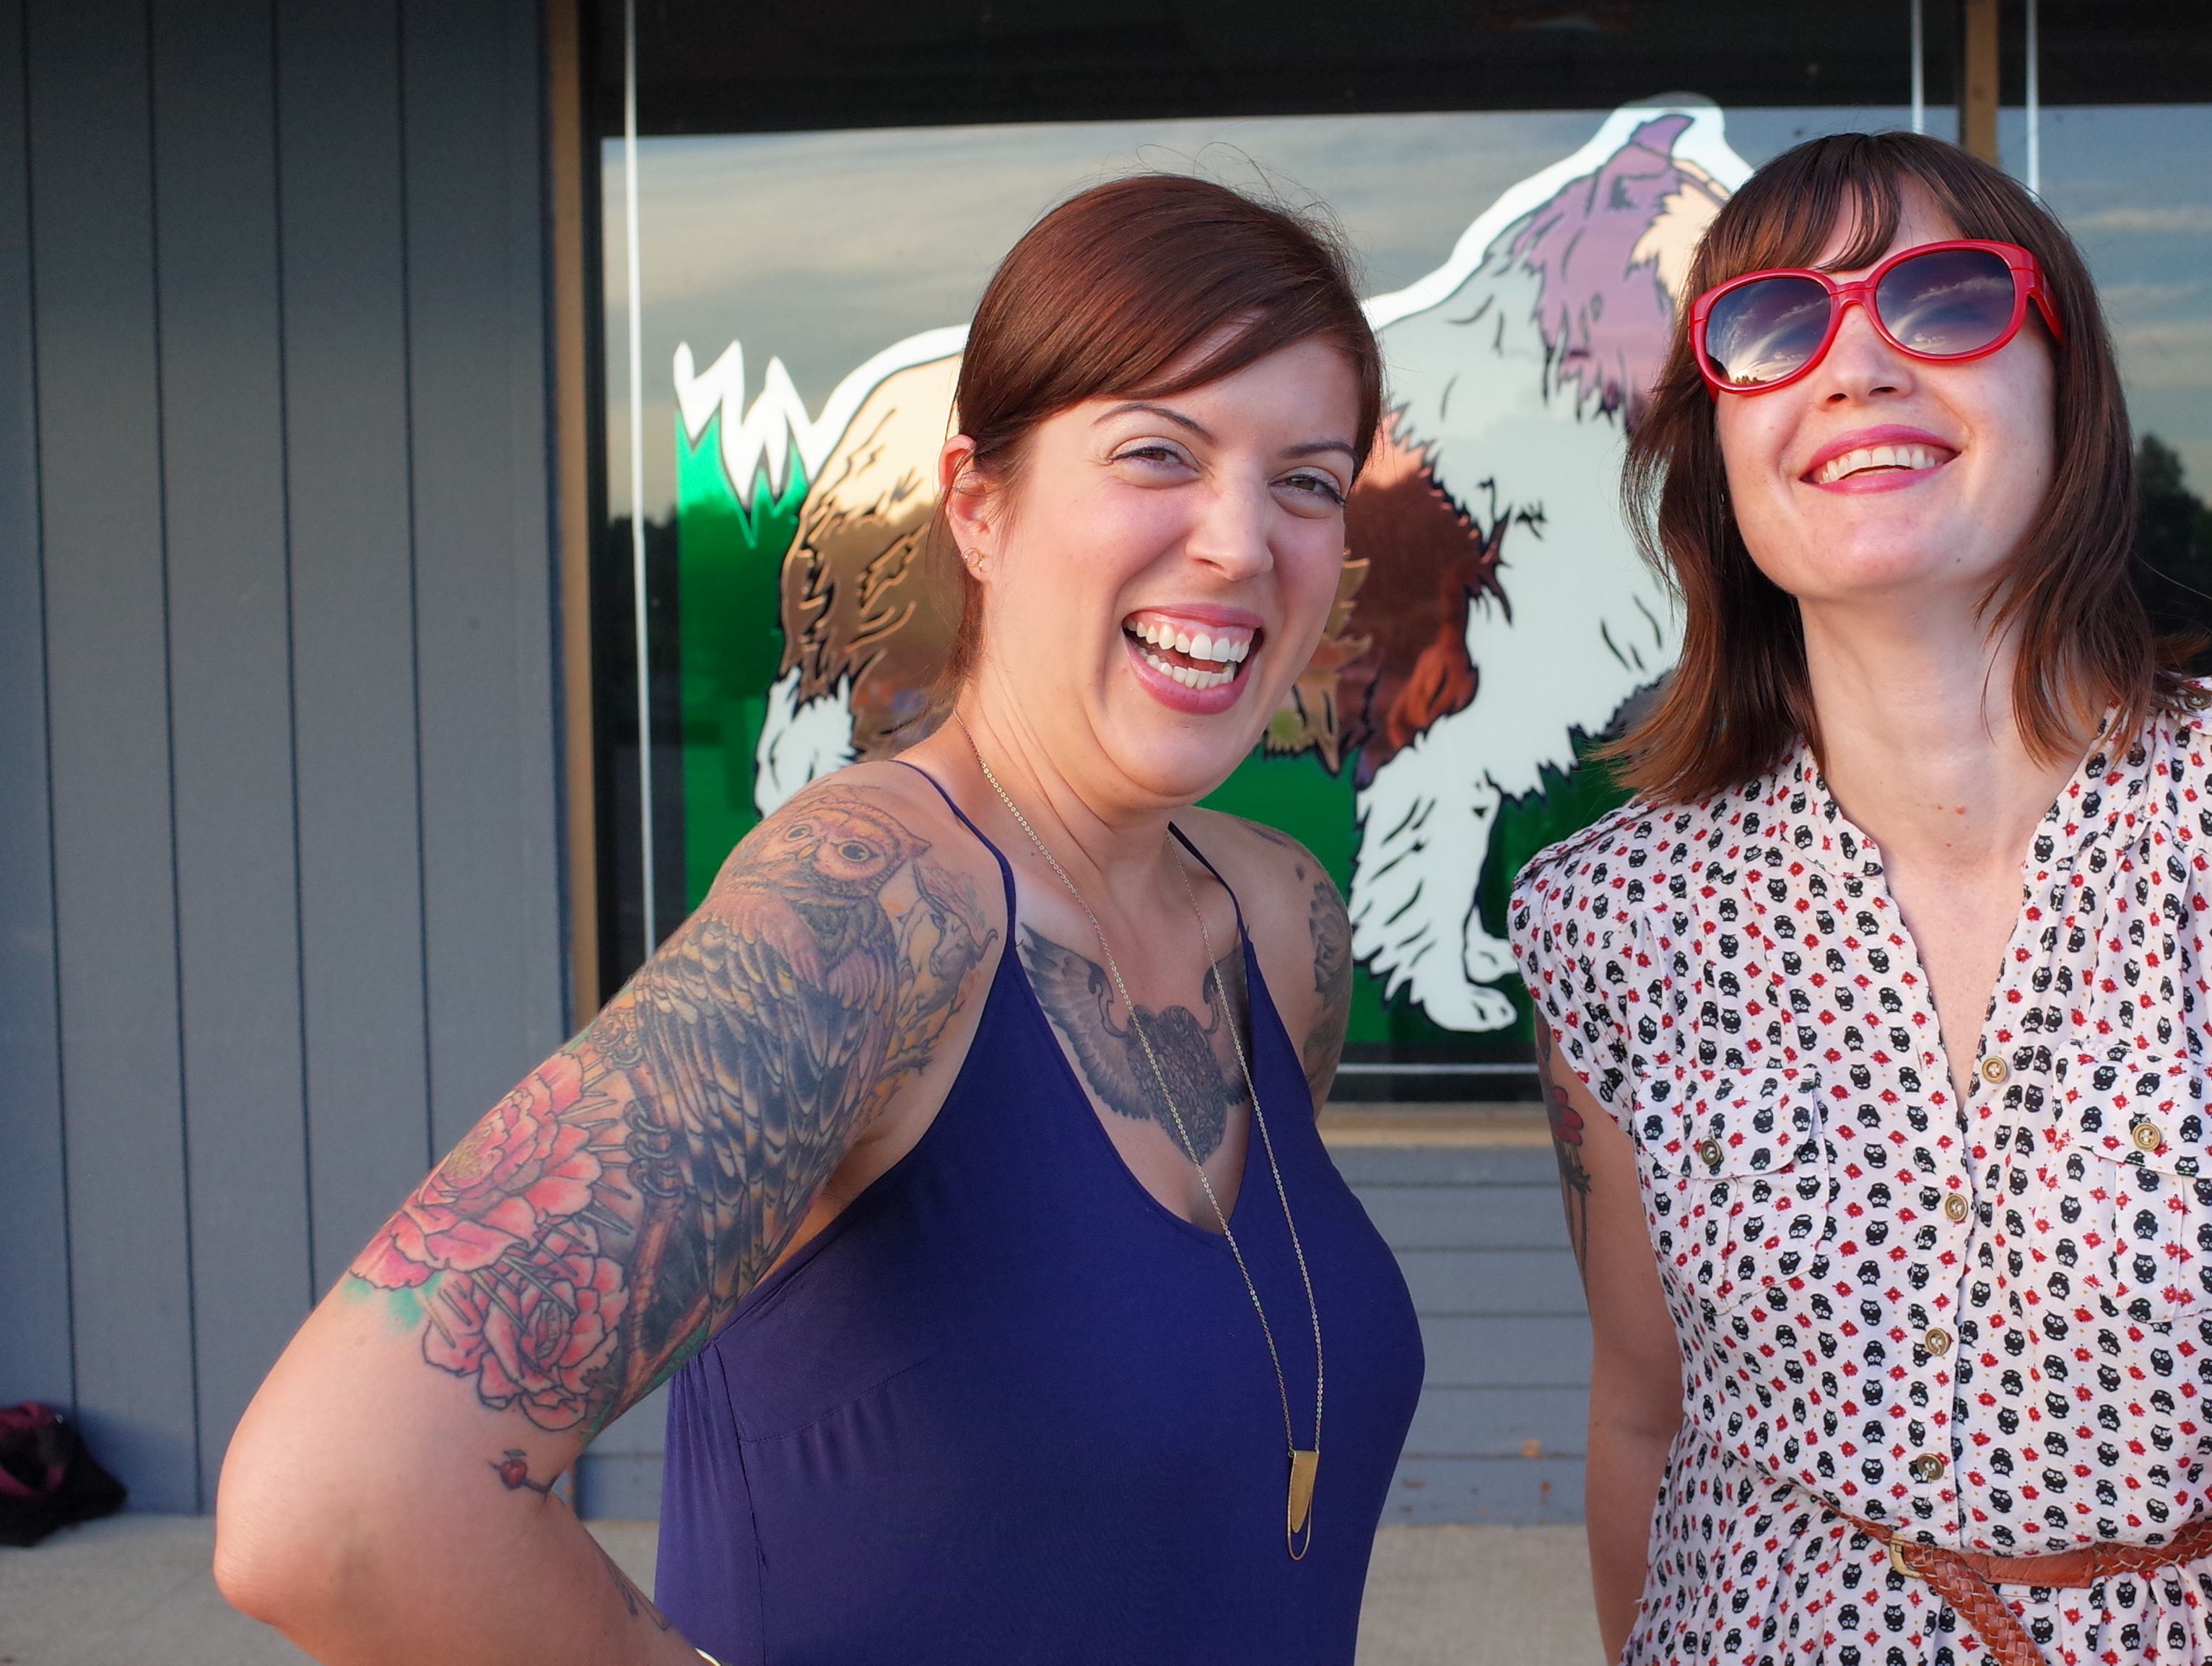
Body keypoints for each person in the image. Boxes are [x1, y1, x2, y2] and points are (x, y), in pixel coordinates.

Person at [216, 175, 1426, 1665]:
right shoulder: (870, 908)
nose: (1241, 541)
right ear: (980, 507)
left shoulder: (1277, 915)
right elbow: (341, 1503)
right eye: (1158, 453)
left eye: (1305, 478)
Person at [1509, 132, 2212, 1666]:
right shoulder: (1610, 915)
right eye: (1773, 327)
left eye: (1946, 298)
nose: (1857, 366)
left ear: (2067, 387)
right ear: (1714, 449)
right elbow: (1646, 1423)